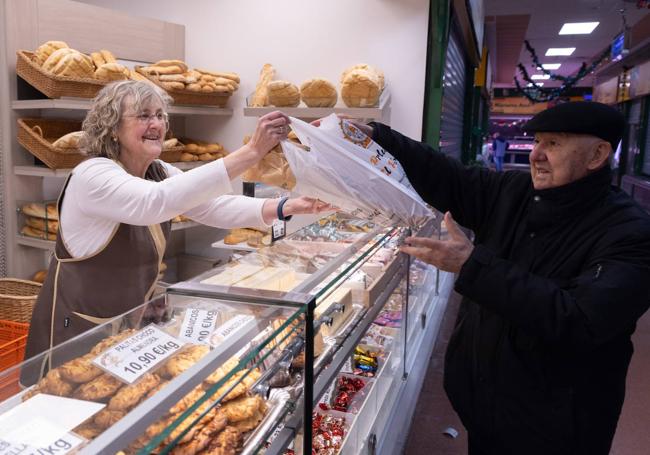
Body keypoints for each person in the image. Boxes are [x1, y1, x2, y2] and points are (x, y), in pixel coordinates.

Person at [349, 101, 650, 455]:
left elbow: (579, 320)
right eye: (537, 141)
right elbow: (448, 176)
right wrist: (377, 136)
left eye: (553, 144)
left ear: (598, 155)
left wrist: (472, 265)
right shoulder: (514, 192)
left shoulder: (630, 232)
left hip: (555, 429)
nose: (536, 154)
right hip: (486, 410)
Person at [24, 80, 330, 379]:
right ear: (112, 128)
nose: (156, 123)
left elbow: (213, 206)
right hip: (75, 332)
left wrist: (286, 207)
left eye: (159, 115)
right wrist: (251, 153)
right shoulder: (92, 175)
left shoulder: (158, 172)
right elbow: (155, 202)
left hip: (125, 330)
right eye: (143, 115)